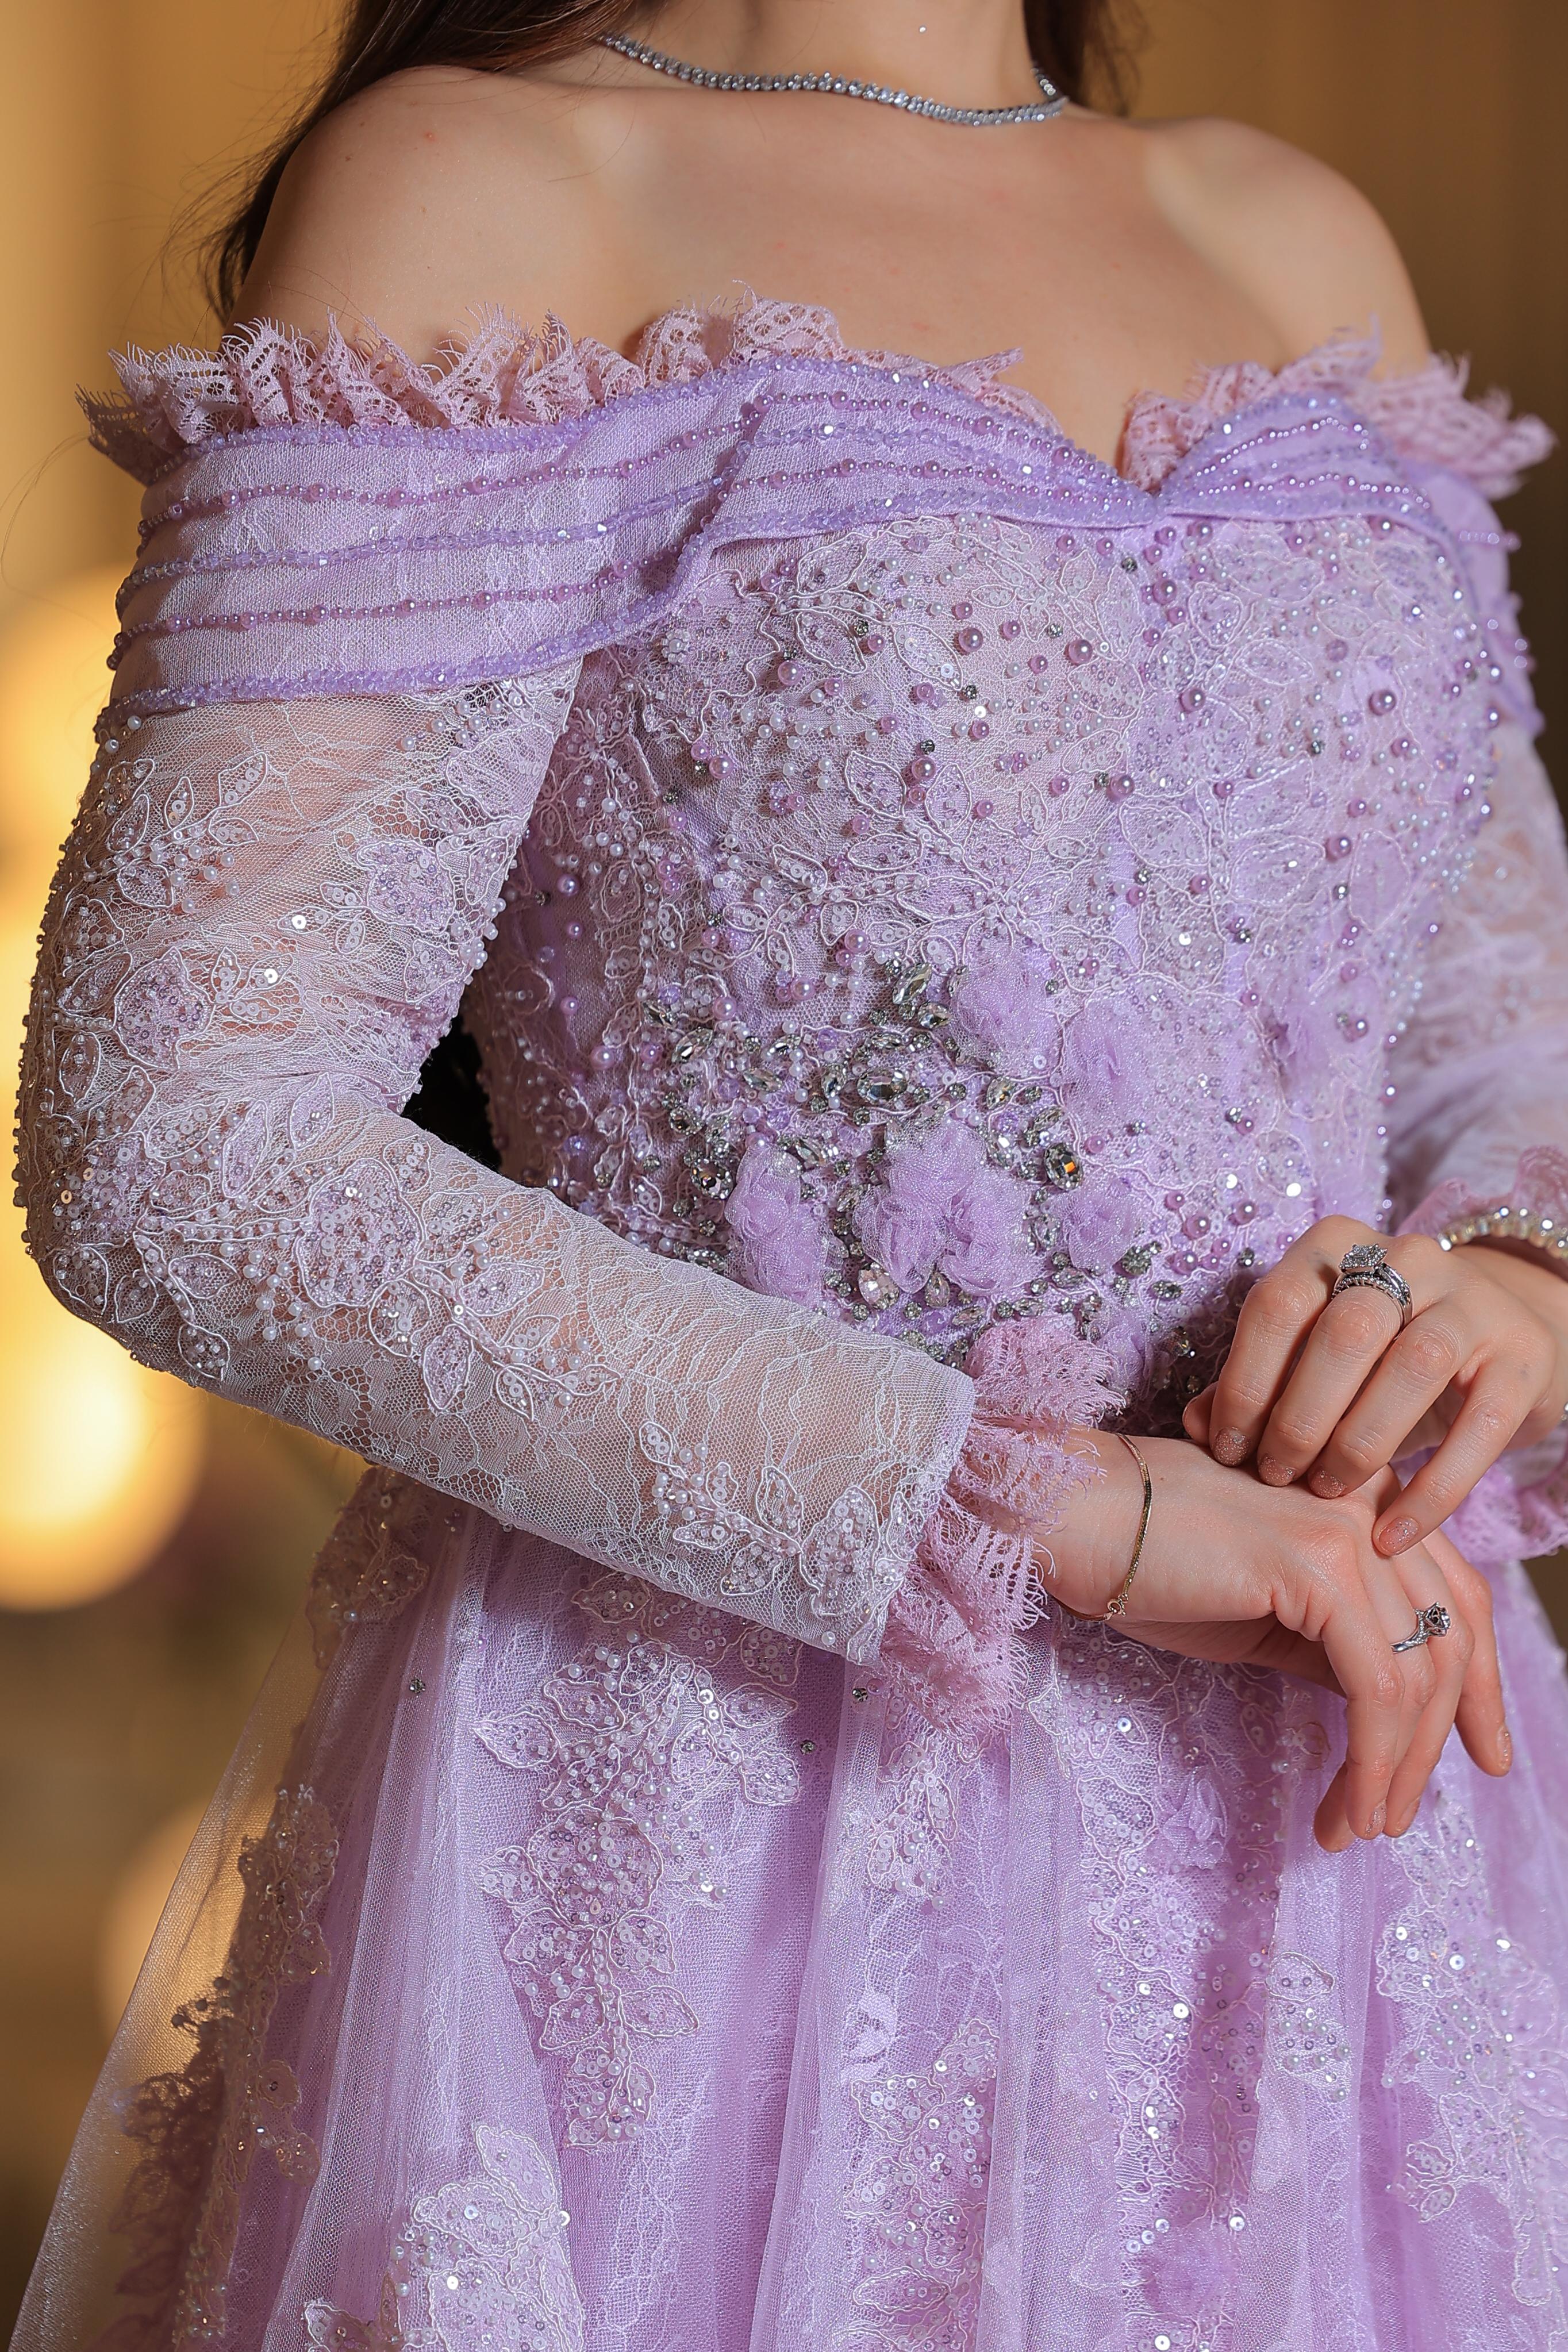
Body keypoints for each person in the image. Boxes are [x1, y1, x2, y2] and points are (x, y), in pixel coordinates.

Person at [13, 0, 1568, 2343]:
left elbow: (1499, 1053)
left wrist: (1511, 1286)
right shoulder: (494, 192)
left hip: (1361, 1856)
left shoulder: (1291, 236)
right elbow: (183, 1141)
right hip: (732, 1832)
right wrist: (1032, 1506)